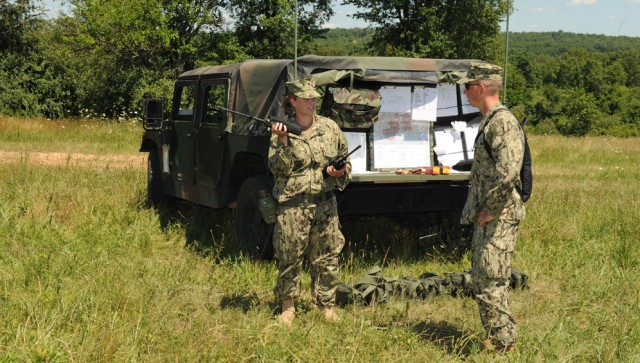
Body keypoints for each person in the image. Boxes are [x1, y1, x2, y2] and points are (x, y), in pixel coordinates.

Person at [268, 78, 352, 326]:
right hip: (294, 206)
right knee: (289, 257)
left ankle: (326, 305)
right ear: (292, 101)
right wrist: (283, 142)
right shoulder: (280, 130)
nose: (311, 101)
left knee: (328, 256)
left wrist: (340, 172)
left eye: (314, 97)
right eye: (305, 98)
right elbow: (277, 168)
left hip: (326, 204)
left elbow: (345, 161)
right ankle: (288, 305)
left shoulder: (330, 128)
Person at [457, 63, 526, 353]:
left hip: (499, 216)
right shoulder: (490, 121)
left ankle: (504, 346)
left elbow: (508, 172)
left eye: (467, 86)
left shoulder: (502, 122)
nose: (464, 91)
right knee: (484, 277)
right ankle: (499, 341)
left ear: (482, 87)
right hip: (491, 215)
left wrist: (494, 209)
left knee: (491, 280)